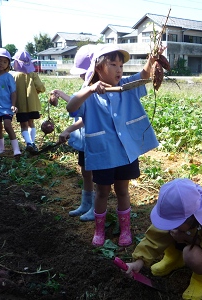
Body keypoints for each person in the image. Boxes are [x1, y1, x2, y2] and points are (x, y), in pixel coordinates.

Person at [66, 44, 161, 247]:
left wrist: (152, 60)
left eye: (121, 65)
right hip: (103, 154)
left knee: (123, 191)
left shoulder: (126, 86)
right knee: (102, 192)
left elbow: (144, 74)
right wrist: (90, 89)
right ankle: (99, 230)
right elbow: (71, 106)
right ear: (99, 68)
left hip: (126, 152)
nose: (119, 69)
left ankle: (125, 229)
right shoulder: (88, 94)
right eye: (113, 64)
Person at [124, 178, 202, 300]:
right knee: (167, 232)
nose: (171, 226)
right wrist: (139, 261)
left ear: (191, 218)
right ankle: (174, 259)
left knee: (191, 254)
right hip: (190, 239)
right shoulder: (176, 216)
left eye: (175, 223)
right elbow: (155, 237)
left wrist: (187, 238)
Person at [49, 44, 97, 221]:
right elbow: (78, 106)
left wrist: (69, 128)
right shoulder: (87, 88)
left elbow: (86, 116)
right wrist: (61, 94)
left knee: (96, 174)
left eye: (85, 72)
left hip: (96, 140)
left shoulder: (99, 89)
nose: (83, 76)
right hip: (86, 140)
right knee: (85, 171)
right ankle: (86, 203)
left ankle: (96, 207)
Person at [12, 50, 46, 154]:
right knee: (31, 122)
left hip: (20, 105)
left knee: (23, 124)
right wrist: (37, 92)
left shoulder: (14, 75)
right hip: (33, 104)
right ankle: (33, 142)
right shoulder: (33, 74)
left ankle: (28, 143)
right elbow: (41, 87)